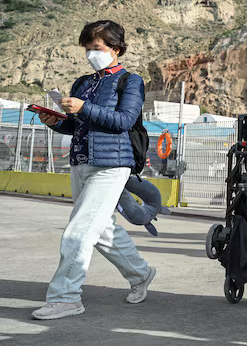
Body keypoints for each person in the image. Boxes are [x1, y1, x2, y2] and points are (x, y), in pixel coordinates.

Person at [32, 20, 155, 320]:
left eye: (96, 48)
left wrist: (83, 108)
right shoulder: (83, 83)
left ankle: (66, 298)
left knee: (79, 230)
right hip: (82, 161)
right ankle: (141, 274)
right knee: (101, 230)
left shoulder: (130, 81)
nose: (90, 55)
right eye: (87, 49)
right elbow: (77, 126)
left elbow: (125, 121)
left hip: (112, 165)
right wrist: (57, 121)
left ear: (116, 48)